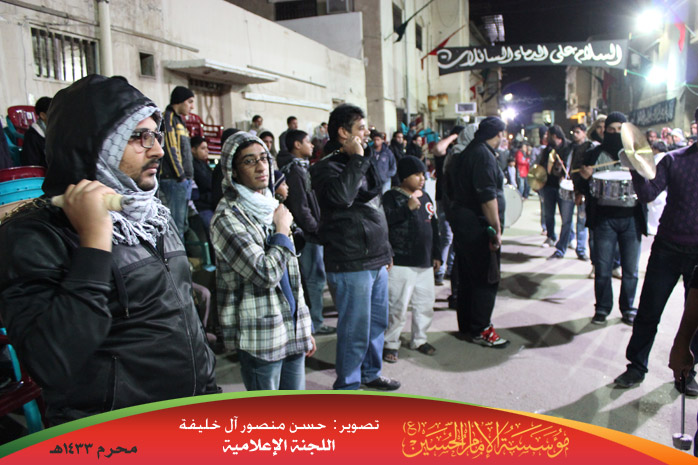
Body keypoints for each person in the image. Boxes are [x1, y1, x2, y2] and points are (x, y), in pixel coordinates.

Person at [0, 75, 217, 425]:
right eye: (139, 136)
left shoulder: (151, 214)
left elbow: (183, 320)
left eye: (156, 135)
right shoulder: (34, 235)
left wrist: (208, 388)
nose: (158, 150)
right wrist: (94, 243)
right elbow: (50, 363)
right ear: (95, 144)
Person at [210, 132, 315, 390]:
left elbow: (292, 276)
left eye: (264, 158)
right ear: (233, 172)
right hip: (262, 336)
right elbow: (265, 274)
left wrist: (304, 327)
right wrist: (282, 230)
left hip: (292, 327)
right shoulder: (228, 218)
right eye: (249, 161)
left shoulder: (271, 206)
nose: (260, 167)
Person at [310, 103, 399, 390]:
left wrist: (386, 250)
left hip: (375, 257)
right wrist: (358, 159)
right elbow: (342, 197)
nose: (367, 133)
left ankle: (370, 373)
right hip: (350, 260)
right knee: (355, 329)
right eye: (361, 128)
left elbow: (374, 201)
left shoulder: (358, 163)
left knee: (376, 323)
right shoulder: (325, 169)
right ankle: (348, 385)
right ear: (343, 133)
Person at [614, 112, 698, 392]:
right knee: (649, 312)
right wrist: (634, 166)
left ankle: (687, 372)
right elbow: (648, 194)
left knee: (695, 320)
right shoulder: (675, 160)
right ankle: (636, 367)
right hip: (667, 248)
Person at [575, 112, 646, 326]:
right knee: (603, 269)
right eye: (611, 130)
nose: (615, 134)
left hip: (631, 219)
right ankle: (602, 308)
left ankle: (628, 308)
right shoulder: (594, 154)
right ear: (604, 131)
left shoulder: (635, 153)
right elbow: (581, 185)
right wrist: (584, 178)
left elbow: (648, 181)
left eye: (619, 130)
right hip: (604, 219)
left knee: (630, 271)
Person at [447, 116, 509, 348]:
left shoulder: (467, 152)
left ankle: (467, 326)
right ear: (498, 134)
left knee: (468, 277)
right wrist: (496, 230)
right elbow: (487, 197)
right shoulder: (483, 155)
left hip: (463, 222)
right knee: (486, 278)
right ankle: (482, 328)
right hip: (478, 225)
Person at [382, 156, 441, 363]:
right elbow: (385, 222)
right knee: (397, 306)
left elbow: (434, 226)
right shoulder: (391, 197)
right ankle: (390, 342)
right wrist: (406, 208)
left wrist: (436, 254)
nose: (422, 178)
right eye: (417, 174)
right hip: (401, 262)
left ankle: (419, 339)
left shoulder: (426, 197)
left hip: (424, 261)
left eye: (423, 174)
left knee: (424, 304)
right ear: (405, 177)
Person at [277, 130, 334, 336]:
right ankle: (315, 323)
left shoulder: (300, 167)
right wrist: (316, 228)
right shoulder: (295, 171)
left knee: (314, 278)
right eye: (307, 142)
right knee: (313, 279)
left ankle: (314, 321)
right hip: (308, 235)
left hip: (310, 231)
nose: (312, 146)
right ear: (297, 145)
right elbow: (301, 207)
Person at [159, 85, 195, 240]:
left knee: (182, 225)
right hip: (174, 180)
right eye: (190, 102)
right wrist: (180, 175)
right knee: (176, 226)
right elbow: (170, 148)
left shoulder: (179, 121)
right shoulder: (168, 118)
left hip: (182, 181)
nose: (192, 107)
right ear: (180, 101)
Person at [541, 125, 574, 258]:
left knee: (566, 217)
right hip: (549, 186)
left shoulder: (569, 147)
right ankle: (551, 236)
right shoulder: (548, 149)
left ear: (554, 135)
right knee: (549, 213)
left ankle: (569, 239)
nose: (546, 137)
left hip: (563, 186)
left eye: (548, 134)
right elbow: (542, 166)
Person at [568, 123, 591, 261]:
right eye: (574, 132)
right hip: (579, 188)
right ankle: (579, 248)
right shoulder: (572, 148)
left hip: (591, 190)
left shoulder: (591, 146)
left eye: (578, 132)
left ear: (584, 133)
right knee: (579, 220)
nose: (575, 135)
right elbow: (574, 170)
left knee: (586, 221)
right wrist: (578, 191)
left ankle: (584, 250)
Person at [20, 96, 52, 167]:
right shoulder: (32, 135)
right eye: (54, 112)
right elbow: (30, 163)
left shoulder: (56, 131)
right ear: (43, 115)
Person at [191, 135, 215, 229]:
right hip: (202, 206)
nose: (207, 151)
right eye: (203, 148)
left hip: (210, 204)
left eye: (207, 148)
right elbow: (207, 183)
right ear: (193, 149)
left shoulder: (204, 165)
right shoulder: (192, 166)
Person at [370, 130, 397, 194]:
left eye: (378, 140)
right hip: (373, 180)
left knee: (385, 195)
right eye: (374, 140)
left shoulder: (388, 152)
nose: (376, 142)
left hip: (385, 180)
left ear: (382, 140)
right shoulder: (370, 152)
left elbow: (393, 166)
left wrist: (387, 175)